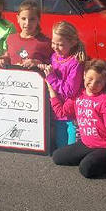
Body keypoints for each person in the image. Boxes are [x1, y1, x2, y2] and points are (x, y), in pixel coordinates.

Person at [47, 59, 106, 179]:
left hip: (104, 146)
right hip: (86, 143)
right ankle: (91, 157)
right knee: (57, 157)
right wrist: (52, 92)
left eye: (99, 82)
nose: (93, 84)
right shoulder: (77, 96)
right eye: (90, 79)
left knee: (86, 170)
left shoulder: (105, 101)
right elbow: (61, 113)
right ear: (84, 75)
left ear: (105, 82)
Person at [37, 21, 86, 149]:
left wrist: (51, 77)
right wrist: (44, 67)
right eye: (53, 43)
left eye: (60, 44)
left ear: (73, 43)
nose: (55, 47)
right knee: (60, 146)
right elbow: (51, 73)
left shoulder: (76, 62)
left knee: (70, 148)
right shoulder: (54, 57)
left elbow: (70, 90)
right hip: (56, 109)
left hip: (70, 113)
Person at [0, 0, 52, 68]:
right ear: (18, 18)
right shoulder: (11, 39)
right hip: (12, 77)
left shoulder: (46, 42)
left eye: (32, 19)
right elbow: (7, 57)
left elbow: (54, 64)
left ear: (38, 20)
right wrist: (2, 61)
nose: (27, 23)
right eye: (23, 19)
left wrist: (38, 63)